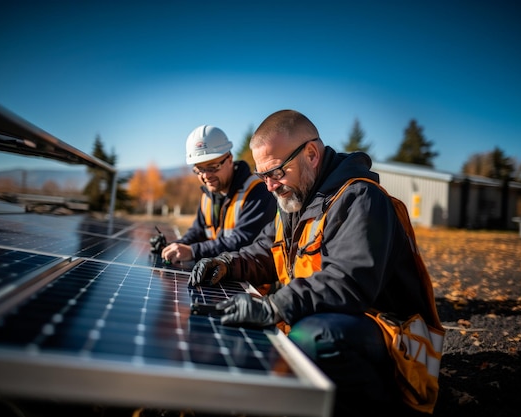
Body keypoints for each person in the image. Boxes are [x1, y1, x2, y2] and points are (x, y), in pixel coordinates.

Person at [188, 110, 441, 416]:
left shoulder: (360, 198)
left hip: (391, 339)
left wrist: (275, 306)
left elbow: (348, 281)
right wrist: (226, 263)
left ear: (311, 154)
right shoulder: (296, 201)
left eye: (276, 172)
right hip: (342, 322)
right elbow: (266, 251)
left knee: (315, 337)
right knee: (297, 331)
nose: (269, 186)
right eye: (263, 176)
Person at [161, 125, 277, 264]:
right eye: (199, 169)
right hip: (217, 272)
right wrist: (175, 246)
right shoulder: (208, 195)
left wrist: (193, 251)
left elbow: (242, 241)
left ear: (229, 159)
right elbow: (197, 232)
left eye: (213, 167)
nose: (206, 176)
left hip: (250, 283)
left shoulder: (258, 191)